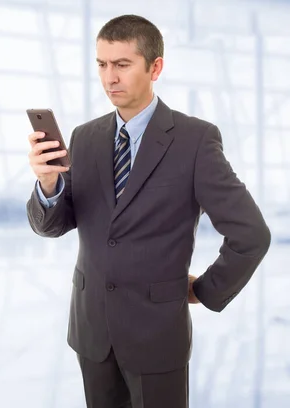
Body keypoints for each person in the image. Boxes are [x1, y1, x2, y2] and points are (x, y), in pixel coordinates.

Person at [26, 14, 271, 408]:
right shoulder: (84, 138)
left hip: (157, 336)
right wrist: (48, 184)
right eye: (102, 65)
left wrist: (205, 291)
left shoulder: (195, 140)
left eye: (122, 65)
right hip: (92, 331)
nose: (110, 79)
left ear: (155, 67)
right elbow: (55, 225)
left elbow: (251, 235)